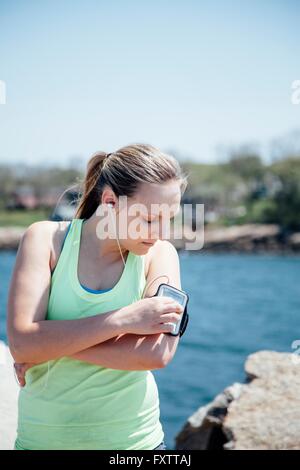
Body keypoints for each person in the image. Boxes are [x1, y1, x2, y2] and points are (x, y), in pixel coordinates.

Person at [7, 142, 188, 450]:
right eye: (148, 219)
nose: (160, 232)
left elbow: (157, 354)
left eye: (168, 218)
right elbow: (22, 343)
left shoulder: (160, 255)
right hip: (42, 441)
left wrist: (50, 348)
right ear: (109, 202)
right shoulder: (45, 240)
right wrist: (124, 321)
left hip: (136, 444)